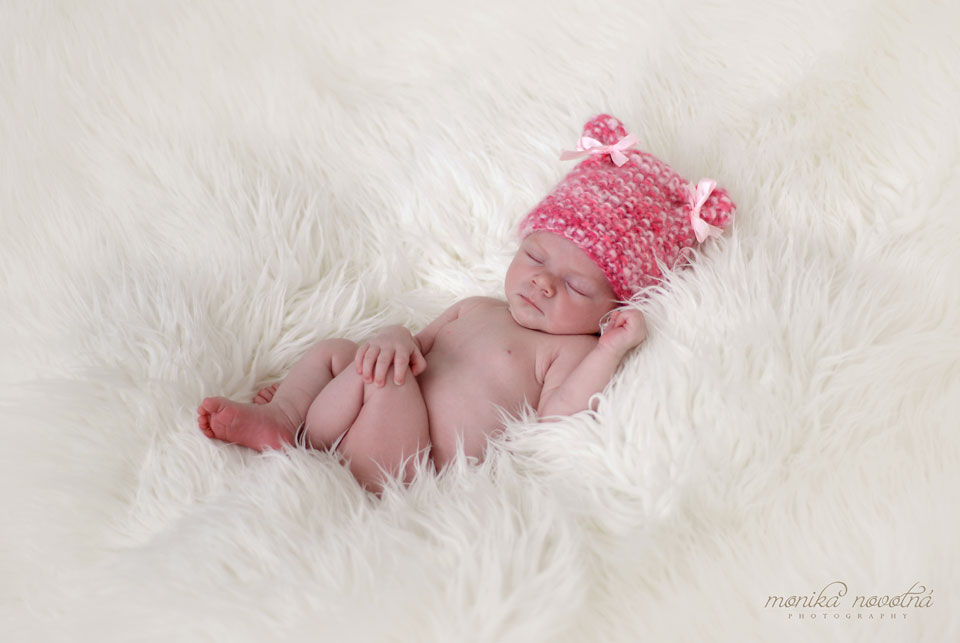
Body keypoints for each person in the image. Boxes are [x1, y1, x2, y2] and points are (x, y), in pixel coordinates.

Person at [197, 113, 736, 495]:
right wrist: (392, 336)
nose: (544, 283)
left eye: (576, 286)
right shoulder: (477, 307)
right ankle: (284, 415)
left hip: (402, 454)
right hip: (356, 407)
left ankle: (298, 429)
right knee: (340, 349)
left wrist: (610, 351)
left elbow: (561, 415)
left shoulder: (567, 350)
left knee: (384, 377)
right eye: (535, 256)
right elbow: (415, 346)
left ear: (612, 309)